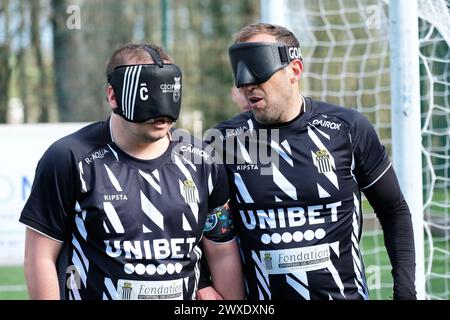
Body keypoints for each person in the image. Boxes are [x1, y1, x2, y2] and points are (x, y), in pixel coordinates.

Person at [206, 23, 417, 300]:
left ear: (294, 71)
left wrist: (405, 293)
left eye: (258, 70)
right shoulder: (224, 143)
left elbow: (394, 210)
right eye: (241, 76)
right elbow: (197, 225)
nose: (247, 84)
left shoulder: (347, 129)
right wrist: (202, 282)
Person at [19, 43, 244, 300]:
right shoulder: (69, 158)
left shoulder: (202, 160)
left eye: (169, 95)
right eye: (148, 96)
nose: (161, 113)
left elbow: (223, 250)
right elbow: (39, 256)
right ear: (114, 96)